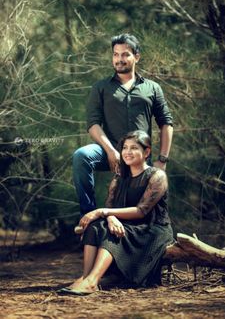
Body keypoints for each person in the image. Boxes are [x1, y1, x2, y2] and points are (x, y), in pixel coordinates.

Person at [59, 130, 174, 295]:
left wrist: (103, 212)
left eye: (134, 148)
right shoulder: (119, 178)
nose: (127, 152)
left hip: (152, 229)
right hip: (128, 224)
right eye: (125, 148)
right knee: (95, 226)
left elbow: (141, 211)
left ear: (147, 152)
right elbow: (110, 206)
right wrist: (110, 217)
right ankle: (86, 277)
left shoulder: (157, 176)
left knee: (114, 233)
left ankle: (92, 281)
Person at [73, 33, 173, 217]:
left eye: (125, 54)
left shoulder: (152, 88)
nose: (119, 59)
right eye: (115, 54)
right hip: (108, 150)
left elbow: (166, 123)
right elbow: (93, 124)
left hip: (140, 155)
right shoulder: (101, 87)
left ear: (137, 56)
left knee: (142, 211)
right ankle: (88, 215)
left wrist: (163, 160)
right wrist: (111, 151)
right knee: (81, 156)